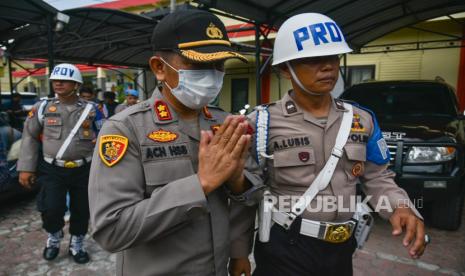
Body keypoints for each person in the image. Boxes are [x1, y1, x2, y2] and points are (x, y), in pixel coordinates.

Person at [236, 13, 427, 276]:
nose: (327, 67)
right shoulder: (261, 123)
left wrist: (399, 206)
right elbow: (245, 196)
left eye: (333, 57)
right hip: (285, 247)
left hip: (341, 250)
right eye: (313, 60)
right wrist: (238, 252)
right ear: (285, 69)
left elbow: (378, 177)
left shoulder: (362, 119)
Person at [88, 9, 263, 276]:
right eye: (200, 64)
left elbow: (244, 199)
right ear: (159, 68)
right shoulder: (126, 129)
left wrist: (239, 250)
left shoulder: (225, 124)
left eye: (219, 66)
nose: (213, 76)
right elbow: (112, 230)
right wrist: (200, 184)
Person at [17, 63, 104, 264]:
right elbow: (29, 136)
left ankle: (77, 242)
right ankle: (54, 237)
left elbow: (105, 136)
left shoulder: (92, 110)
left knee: (82, 209)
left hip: (84, 168)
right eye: (55, 80)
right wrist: (26, 168)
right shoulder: (43, 107)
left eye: (64, 80)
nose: (58, 83)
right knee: (52, 207)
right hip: (52, 169)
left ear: (76, 84)